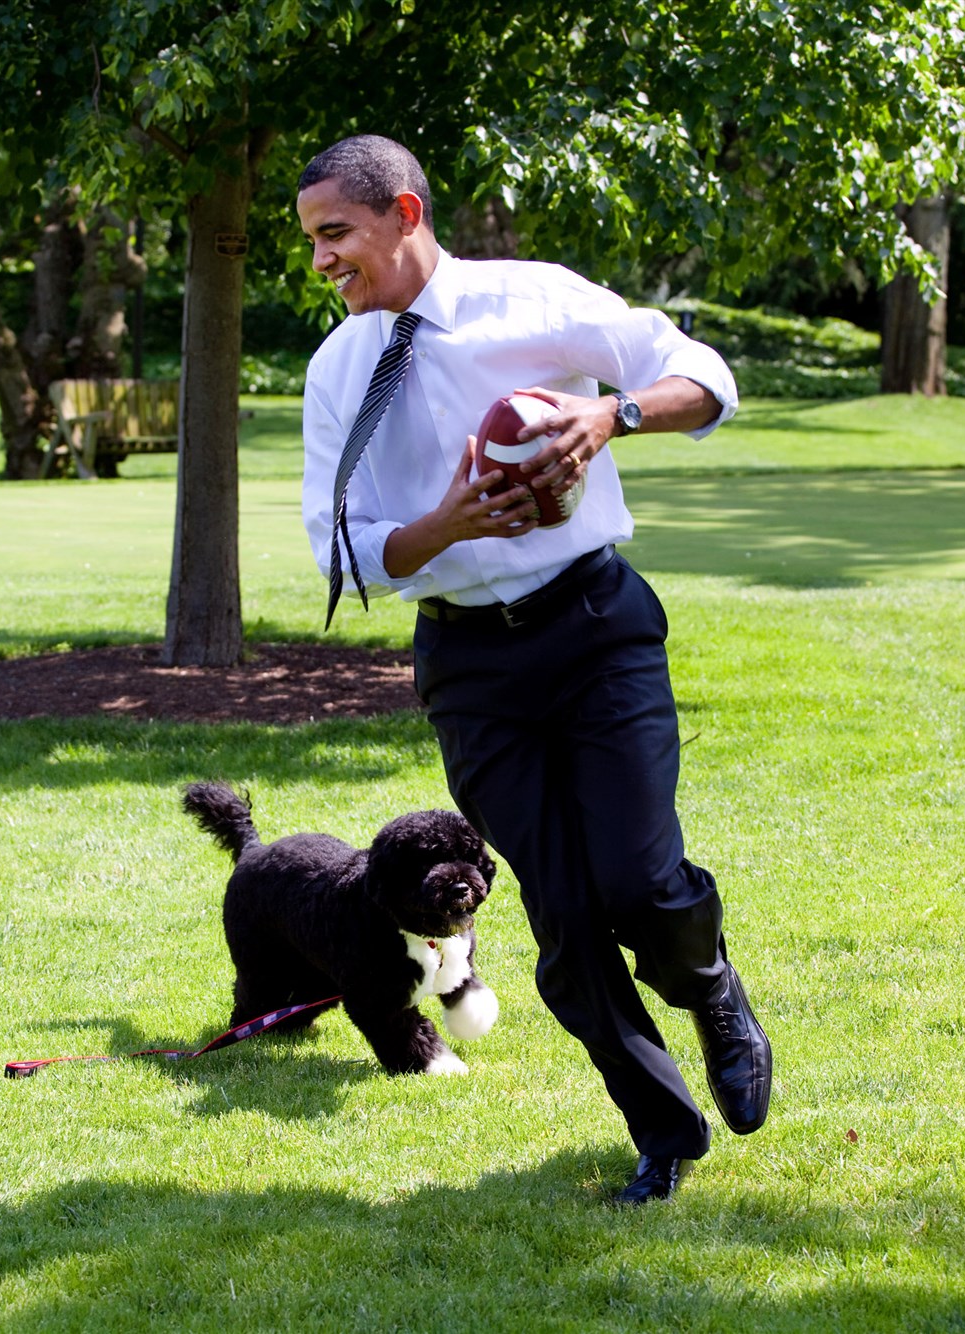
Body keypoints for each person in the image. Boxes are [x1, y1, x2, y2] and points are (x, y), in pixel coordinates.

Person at [295, 134, 772, 1207]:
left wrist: (611, 414)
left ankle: (712, 989)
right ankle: (662, 1134)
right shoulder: (337, 371)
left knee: (639, 885)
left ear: (404, 215)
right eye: (312, 242)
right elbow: (338, 547)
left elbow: (706, 374)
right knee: (561, 918)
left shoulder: (532, 301)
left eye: (337, 234)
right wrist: (442, 524)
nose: (322, 261)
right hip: (469, 665)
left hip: (594, 626)